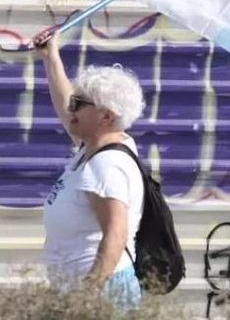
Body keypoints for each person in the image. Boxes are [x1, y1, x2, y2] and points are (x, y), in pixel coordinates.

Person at [32, 28, 146, 311]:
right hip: (86, 291)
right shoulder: (96, 147)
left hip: (102, 296)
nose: (71, 108)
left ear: (106, 116)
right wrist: (51, 57)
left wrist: (88, 294)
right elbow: (63, 106)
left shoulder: (108, 165)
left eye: (79, 104)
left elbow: (115, 235)